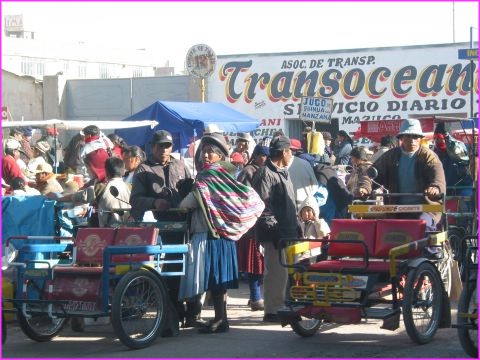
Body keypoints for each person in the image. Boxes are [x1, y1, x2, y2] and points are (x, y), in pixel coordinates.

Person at [179, 133, 264, 333]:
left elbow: (192, 201)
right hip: (223, 235)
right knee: (218, 280)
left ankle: (220, 319)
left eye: (211, 152)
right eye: (204, 151)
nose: (206, 155)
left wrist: (182, 203)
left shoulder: (207, 176)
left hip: (212, 234)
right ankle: (221, 318)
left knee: (216, 279)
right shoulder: (226, 175)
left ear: (219, 156)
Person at [129, 130, 202, 329]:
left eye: (167, 145)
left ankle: (193, 313)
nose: (164, 149)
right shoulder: (143, 170)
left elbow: (192, 191)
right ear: (152, 147)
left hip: (187, 224)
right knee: (172, 271)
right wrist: (155, 201)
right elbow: (134, 200)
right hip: (164, 229)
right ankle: (174, 312)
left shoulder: (180, 165)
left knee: (193, 268)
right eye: (160, 145)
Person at [252, 135, 298, 323]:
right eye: (291, 152)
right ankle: (272, 311)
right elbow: (262, 206)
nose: (292, 155)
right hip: (275, 235)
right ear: (284, 152)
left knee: (287, 273)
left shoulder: (283, 172)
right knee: (275, 273)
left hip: (289, 232)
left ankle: (283, 305)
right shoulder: (265, 173)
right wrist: (275, 230)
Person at [371, 118, 446, 230]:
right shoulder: (391, 156)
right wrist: (364, 187)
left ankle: (430, 248)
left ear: (420, 139)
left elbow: (437, 177)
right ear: (401, 138)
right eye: (408, 136)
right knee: (386, 233)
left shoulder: (429, 156)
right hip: (396, 209)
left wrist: (435, 187)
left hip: (426, 208)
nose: (412, 140)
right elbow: (372, 174)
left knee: (423, 228)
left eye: (415, 137)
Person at [236, 144, 270, 311]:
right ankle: (256, 297)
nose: (264, 158)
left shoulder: (268, 170)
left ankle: (254, 297)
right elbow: (240, 196)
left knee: (262, 263)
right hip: (250, 225)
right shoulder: (248, 171)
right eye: (262, 155)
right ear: (255, 155)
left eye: (267, 155)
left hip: (264, 223)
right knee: (254, 263)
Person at [298, 196, 330, 260]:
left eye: (308, 210)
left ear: (314, 212)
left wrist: (317, 221)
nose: (305, 213)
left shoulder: (318, 222)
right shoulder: (299, 223)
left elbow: (324, 233)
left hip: (313, 253)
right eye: (303, 211)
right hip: (301, 252)